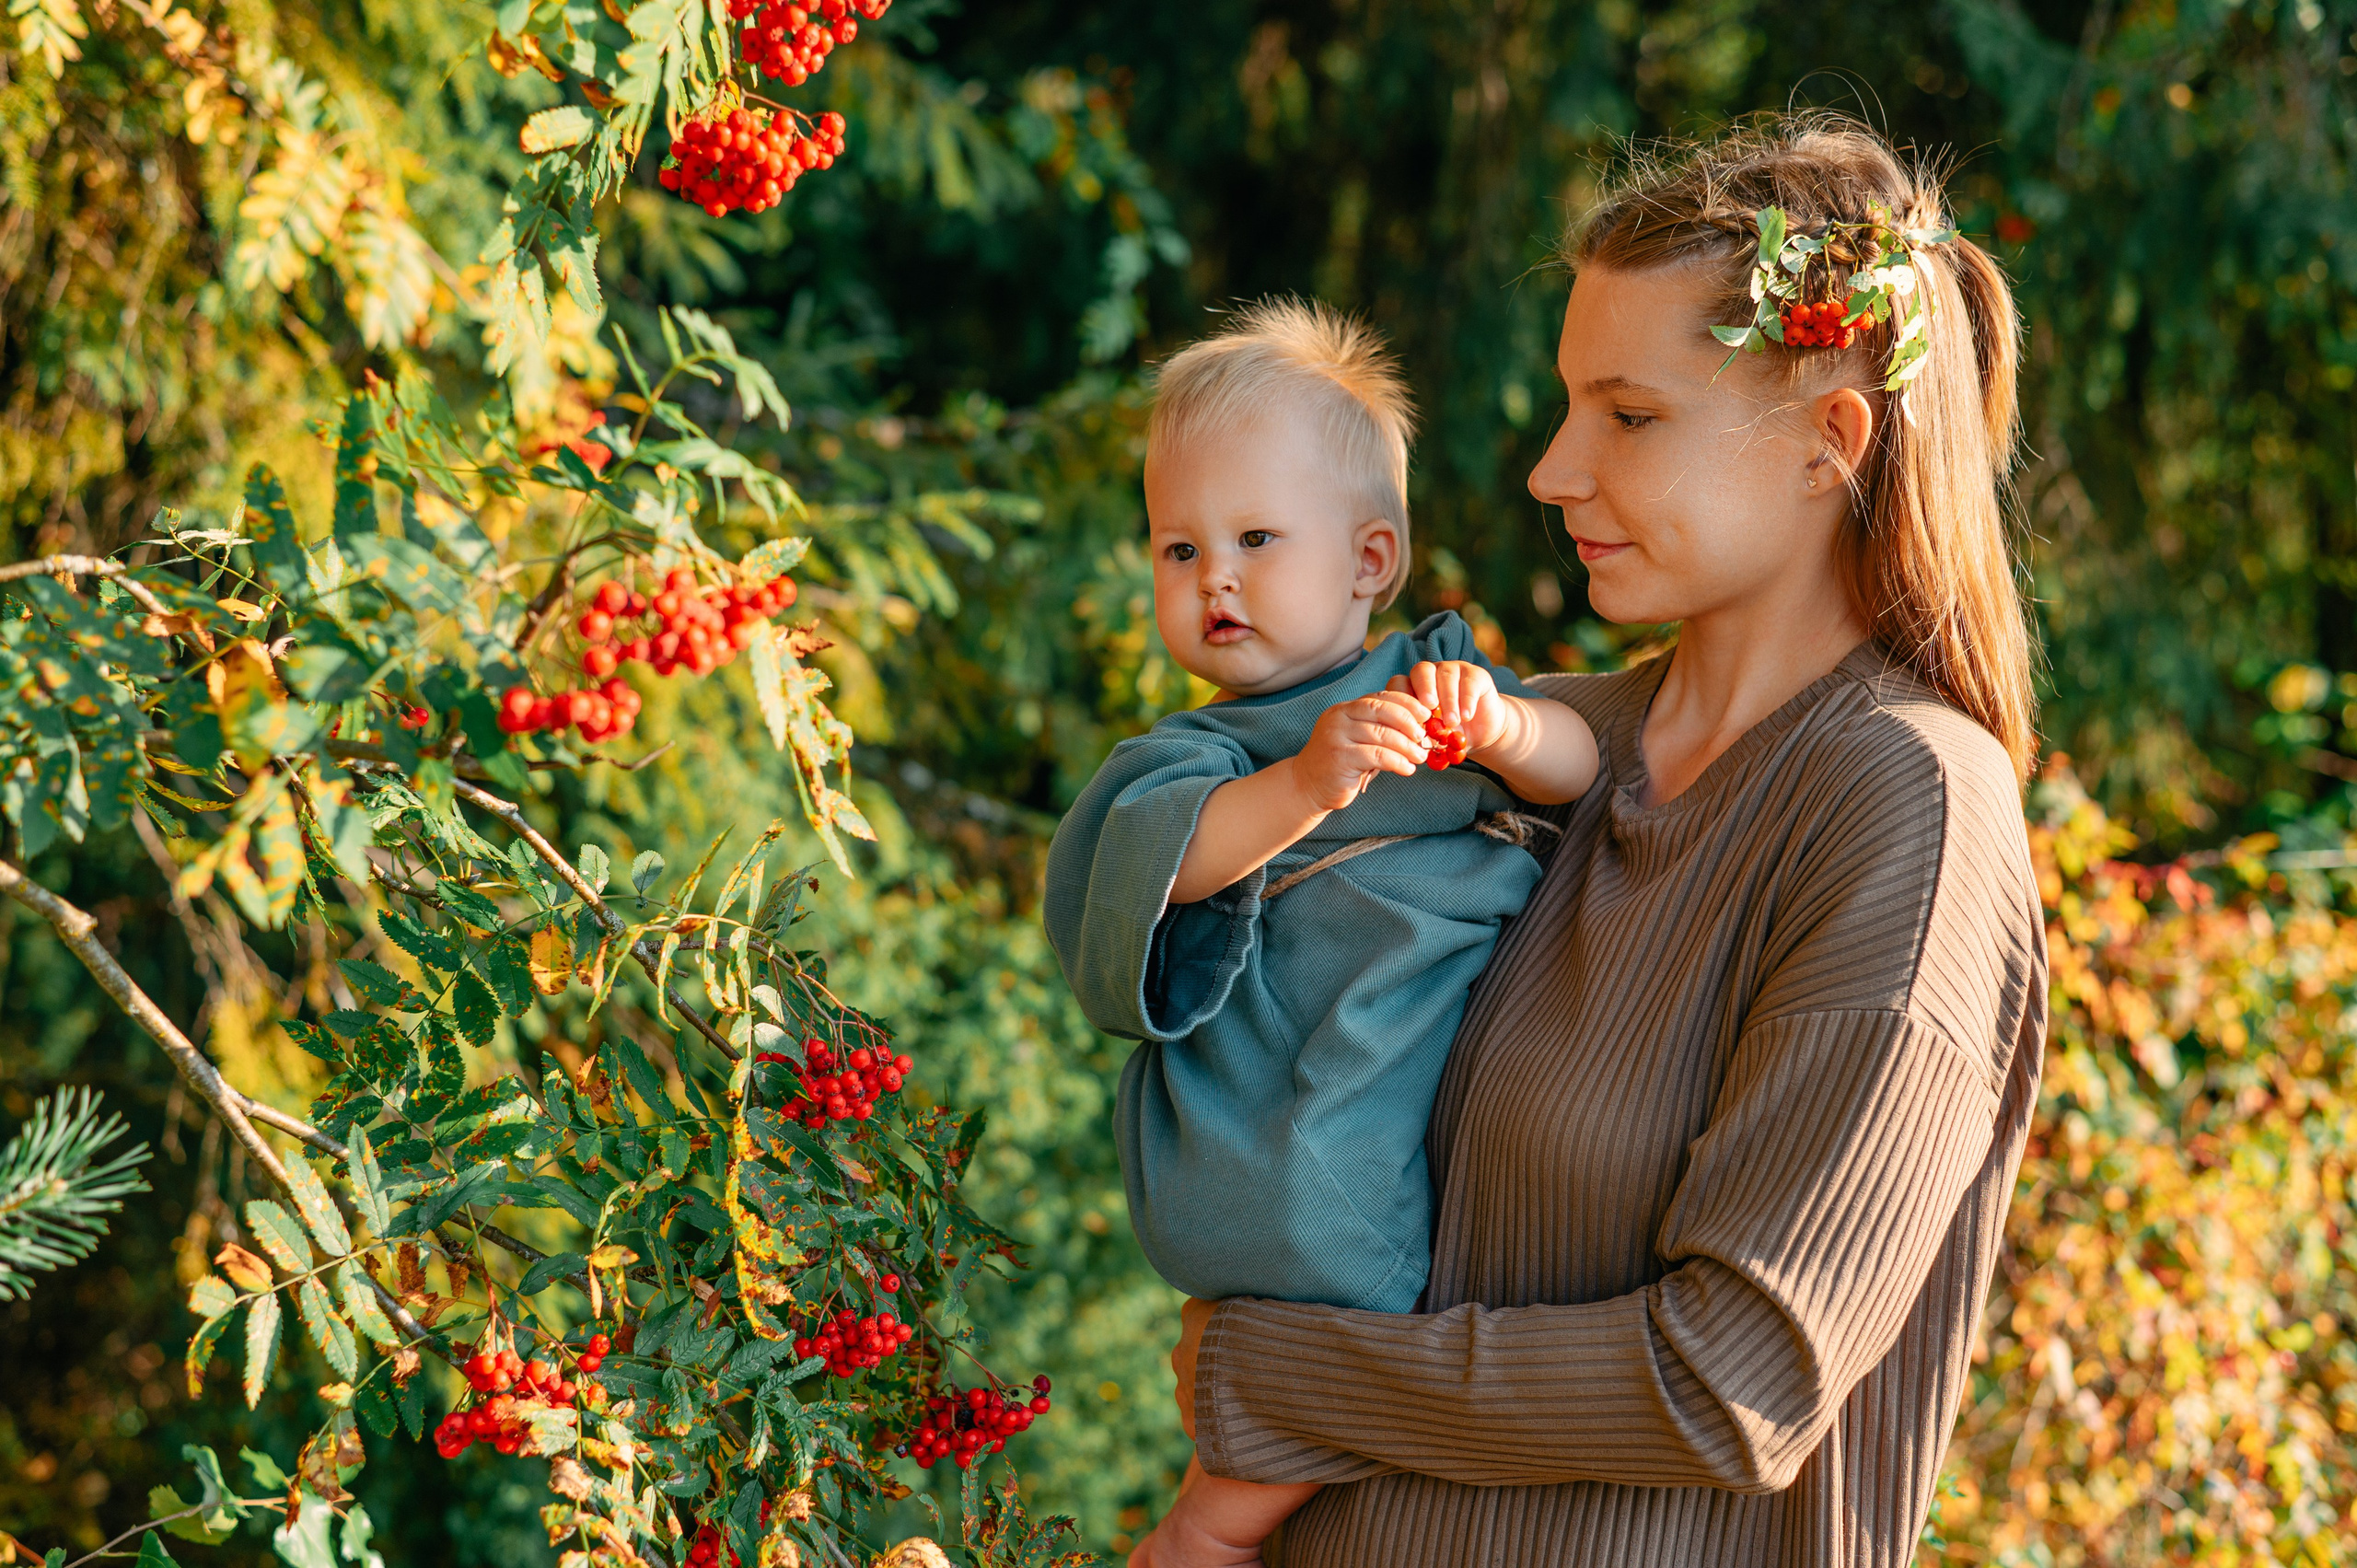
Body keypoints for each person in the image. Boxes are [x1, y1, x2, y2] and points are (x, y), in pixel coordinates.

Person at [1133, 112, 2049, 1568]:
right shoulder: (1525, 741)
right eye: (1569, 406)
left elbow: (1736, 1383)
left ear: (1831, 442)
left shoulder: (1909, 811)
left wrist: (1277, 1376)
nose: (1554, 470)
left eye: (1627, 415)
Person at [1044, 300, 1601, 1560]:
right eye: (1176, 550)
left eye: (1252, 537)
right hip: (1296, 1085)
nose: (1213, 578)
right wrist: (1304, 784)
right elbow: (1158, 867)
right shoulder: (1198, 754)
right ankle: (1212, 1526)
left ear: (1369, 561)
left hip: (1426, 1042)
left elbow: (1581, 762)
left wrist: (1508, 731)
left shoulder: (1438, 676)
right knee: (1325, 1248)